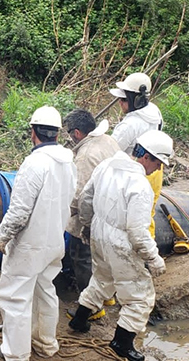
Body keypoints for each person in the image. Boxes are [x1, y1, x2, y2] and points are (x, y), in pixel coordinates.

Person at [69, 130, 173, 361]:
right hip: (121, 244)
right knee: (140, 297)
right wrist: (153, 258)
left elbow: (86, 197)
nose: (158, 169)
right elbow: (137, 232)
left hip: (99, 232)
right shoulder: (141, 187)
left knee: (102, 278)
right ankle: (121, 343)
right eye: (158, 162)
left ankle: (79, 319)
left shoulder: (108, 165)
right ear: (146, 156)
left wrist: (87, 226)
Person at [0, 106, 77, 360]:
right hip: (54, 242)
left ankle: (15, 354)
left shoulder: (34, 163)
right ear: (57, 134)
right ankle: (45, 343)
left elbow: (19, 210)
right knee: (45, 290)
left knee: (14, 297)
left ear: (33, 132)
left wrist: (2, 235)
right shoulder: (68, 162)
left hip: (30, 245)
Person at [63, 109, 119, 296]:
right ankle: (107, 296)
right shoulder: (108, 140)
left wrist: (61, 214)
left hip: (92, 216)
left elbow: (79, 196)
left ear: (77, 133)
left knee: (82, 258)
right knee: (103, 259)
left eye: (69, 133)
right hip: (112, 210)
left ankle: (88, 302)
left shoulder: (85, 155)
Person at [109, 72, 165, 237]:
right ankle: (149, 247)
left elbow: (110, 150)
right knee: (148, 214)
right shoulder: (155, 112)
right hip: (156, 171)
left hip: (135, 173)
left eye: (124, 99)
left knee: (129, 214)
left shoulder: (130, 125)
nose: (120, 102)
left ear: (136, 100)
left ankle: (139, 251)